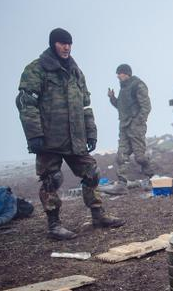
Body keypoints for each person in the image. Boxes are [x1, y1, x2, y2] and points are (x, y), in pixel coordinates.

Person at [16, 28, 124, 240]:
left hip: (76, 137)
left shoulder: (75, 71)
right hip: (49, 138)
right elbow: (26, 103)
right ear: (52, 44)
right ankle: (54, 225)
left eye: (69, 43)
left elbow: (85, 105)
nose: (66, 47)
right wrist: (34, 135)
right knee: (51, 179)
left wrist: (90, 132)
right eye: (62, 43)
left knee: (91, 172)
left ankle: (98, 215)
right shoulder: (36, 69)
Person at [107, 64, 153, 193]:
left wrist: (138, 121)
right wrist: (112, 98)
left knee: (140, 156)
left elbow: (146, 106)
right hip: (124, 126)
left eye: (119, 73)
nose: (117, 76)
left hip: (135, 126)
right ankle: (122, 184)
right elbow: (121, 106)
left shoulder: (138, 85)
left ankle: (150, 177)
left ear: (126, 73)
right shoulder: (123, 89)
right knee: (121, 155)